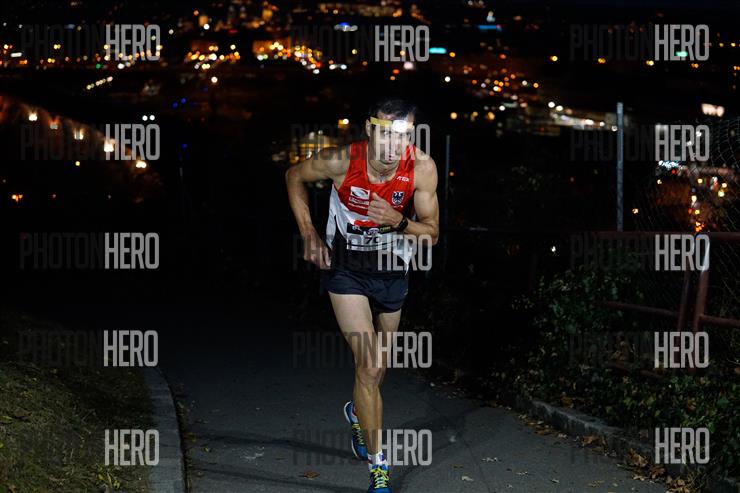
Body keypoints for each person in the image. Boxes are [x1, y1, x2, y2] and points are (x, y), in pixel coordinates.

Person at [285, 97, 439, 492]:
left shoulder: (421, 168)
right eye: (385, 134)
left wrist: (399, 222)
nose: (392, 146)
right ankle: (379, 469)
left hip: (392, 269)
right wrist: (309, 233)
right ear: (369, 130)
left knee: (378, 370)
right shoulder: (341, 161)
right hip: (347, 269)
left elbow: (432, 233)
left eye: (402, 136)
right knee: (369, 367)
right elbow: (293, 176)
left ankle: (357, 411)